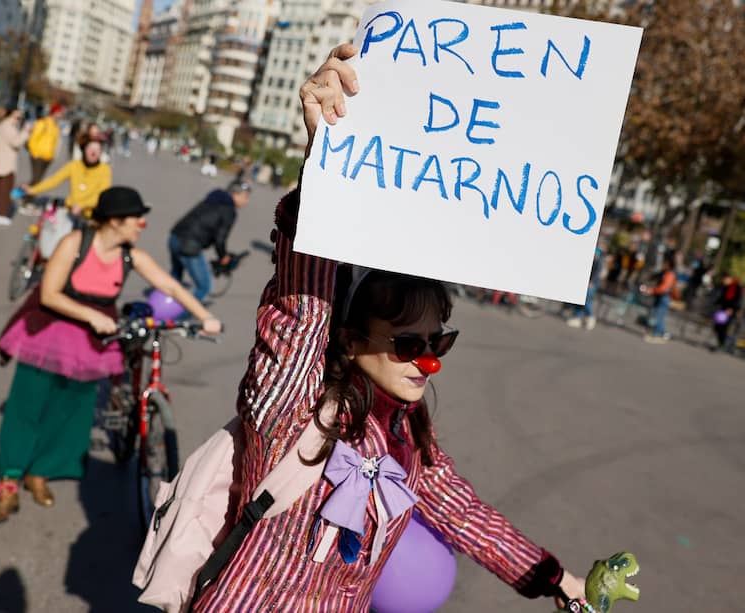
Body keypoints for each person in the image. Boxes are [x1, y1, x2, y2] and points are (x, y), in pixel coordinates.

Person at [190, 44, 585, 611]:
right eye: (407, 343)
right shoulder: (291, 406)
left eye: (436, 342)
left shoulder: (407, 436)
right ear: (350, 342)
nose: (428, 361)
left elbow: (465, 516)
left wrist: (558, 581)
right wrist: (326, 155)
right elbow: (302, 308)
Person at [0, 186, 222, 523]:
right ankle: (9, 481)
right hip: (49, 332)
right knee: (27, 407)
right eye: (136, 216)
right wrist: (92, 316)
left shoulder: (131, 256)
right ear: (114, 220)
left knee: (72, 411)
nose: (142, 222)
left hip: (91, 344)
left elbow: (169, 286)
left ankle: (39, 473)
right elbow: (49, 294)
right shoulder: (75, 243)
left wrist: (204, 316)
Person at [168, 181, 250, 302]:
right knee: (204, 287)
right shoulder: (229, 210)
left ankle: (162, 307)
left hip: (174, 237)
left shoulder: (214, 198)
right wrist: (223, 256)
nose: (246, 201)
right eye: (245, 197)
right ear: (235, 194)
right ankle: (178, 316)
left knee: (174, 280)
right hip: (190, 245)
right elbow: (220, 239)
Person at [25, 134, 112, 220]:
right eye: (91, 148)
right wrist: (33, 190)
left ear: (101, 152)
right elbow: (54, 180)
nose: (94, 152)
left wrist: (82, 205)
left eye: (97, 149)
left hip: (90, 214)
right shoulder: (74, 165)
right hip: (70, 208)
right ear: (84, 149)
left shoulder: (105, 169)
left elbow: (102, 194)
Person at [0, 105, 31, 226]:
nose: (19, 117)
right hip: (6, 164)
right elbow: (16, 142)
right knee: (5, 191)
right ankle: (1, 214)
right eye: (18, 115)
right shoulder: (9, 127)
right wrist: (26, 131)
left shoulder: (0, 125)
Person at [567, 244, 606, 330]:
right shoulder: (592, 256)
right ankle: (577, 317)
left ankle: (590, 316)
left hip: (591, 284)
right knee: (579, 300)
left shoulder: (599, 259)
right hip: (586, 282)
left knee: (586, 300)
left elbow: (598, 272)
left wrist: (591, 282)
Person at [640, 253, 677, 343]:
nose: (663, 264)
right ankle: (659, 333)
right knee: (657, 315)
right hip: (660, 297)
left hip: (664, 297)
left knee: (659, 316)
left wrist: (651, 291)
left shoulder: (670, 274)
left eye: (665, 263)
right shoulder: (664, 273)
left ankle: (658, 334)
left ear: (669, 265)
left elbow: (664, 288)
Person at [26, 103, 65, 184]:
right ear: (54, 112)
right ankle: (24, 194)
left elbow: (55, 143)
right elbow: (32, 139)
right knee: (36, 179)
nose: (61, 115)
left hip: (48, 158)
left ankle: (29, 194)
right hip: (38, 156)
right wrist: (35, 153)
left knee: (39, 180)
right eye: (60, 112)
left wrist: (53, 155)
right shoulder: (43, 123)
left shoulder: (56, 127)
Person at [711, 274, 743, 351]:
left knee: (723, 328)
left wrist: (732, 309)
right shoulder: (726, 287)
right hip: (723, 310)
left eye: (725, 279)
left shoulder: (736, 288)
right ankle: (723, 342)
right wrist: (715, 303)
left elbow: (738, 300)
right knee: (717, 327)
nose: (724, 281)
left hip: (730, 311)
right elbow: (722, 298)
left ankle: (722, 345)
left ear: (730, 279)